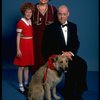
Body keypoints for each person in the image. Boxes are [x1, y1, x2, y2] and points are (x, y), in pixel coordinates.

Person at [42, 5, 88, 100]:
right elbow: (45, 47)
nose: (62, 17)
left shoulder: (73, 26)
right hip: (57, 57)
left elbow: (76, 42)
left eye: (64, 14)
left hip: (69, 55)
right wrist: (61, 55)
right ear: (57, 14)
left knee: (82, 63)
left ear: (68, 14)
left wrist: (70, 53)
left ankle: (79, 90)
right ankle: (69, 92)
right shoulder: (50, 28)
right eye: (60, 14)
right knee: (71, 67)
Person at [13, 2, 35, 94]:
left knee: (27, 66)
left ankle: (26, 83)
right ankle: (21, 85)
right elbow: (18, 36)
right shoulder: (20, 22)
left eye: (30, 12)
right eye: (27, 12)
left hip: (29, 45)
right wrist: (18, 49)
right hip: (23, 46)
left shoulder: (30, 21)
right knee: (21, 67)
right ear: (23, 12)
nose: (28, 14)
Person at [32, 0, 57, 71]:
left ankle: (47, 75)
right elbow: (27, 23)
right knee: (36, 56)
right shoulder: (32, 8)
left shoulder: (53, 9)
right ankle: (35, 76)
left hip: (49, 38)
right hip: (36, 38)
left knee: (47, 56)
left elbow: (57, 23)